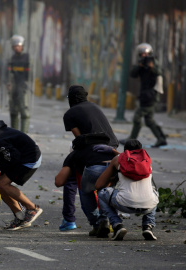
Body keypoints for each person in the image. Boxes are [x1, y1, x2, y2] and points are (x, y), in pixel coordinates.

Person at [62, 85, 119, 236]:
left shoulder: (69, 114)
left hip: (95, 155)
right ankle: (107, 219)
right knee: (105, 189)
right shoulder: (95, 107)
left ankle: (97, 222)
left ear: (71, 99)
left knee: (86, 189)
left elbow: (80, 139)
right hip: (114, 153)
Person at [95, 139, 159, 241]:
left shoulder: (118, 159)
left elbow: (99, 185)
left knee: (101, 193)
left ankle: (117, 225)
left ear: (125, 150)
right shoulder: (147, 160)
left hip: (124, 203)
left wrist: (114, 177)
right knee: (154, 192)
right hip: (148, 206)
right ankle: (148, 226)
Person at [120, 43, 167, 147]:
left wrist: (152, 67)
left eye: (146, 54)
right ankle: (161, 138)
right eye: (142, 54)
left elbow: (159, 73)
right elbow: (132, 74)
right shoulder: (140, 64)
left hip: (151, 95)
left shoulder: (154, 63)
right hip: (144, 95)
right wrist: (139, 66)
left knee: (137, 117)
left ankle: (132, 139)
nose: (144, 56)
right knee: (149, 120)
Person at [7, 35, 31, 133]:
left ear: (22, 46)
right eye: (15, 46)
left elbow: (30, 74)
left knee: (24, 111)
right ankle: (14, 133)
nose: (17, 48)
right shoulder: (12, 58)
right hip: (14, 86)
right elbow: (9, 73)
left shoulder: (26, 57)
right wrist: (9, 84)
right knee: (13, 111)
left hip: (23, 86)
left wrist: (26, 83)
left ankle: (23, 134)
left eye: (18, 46)